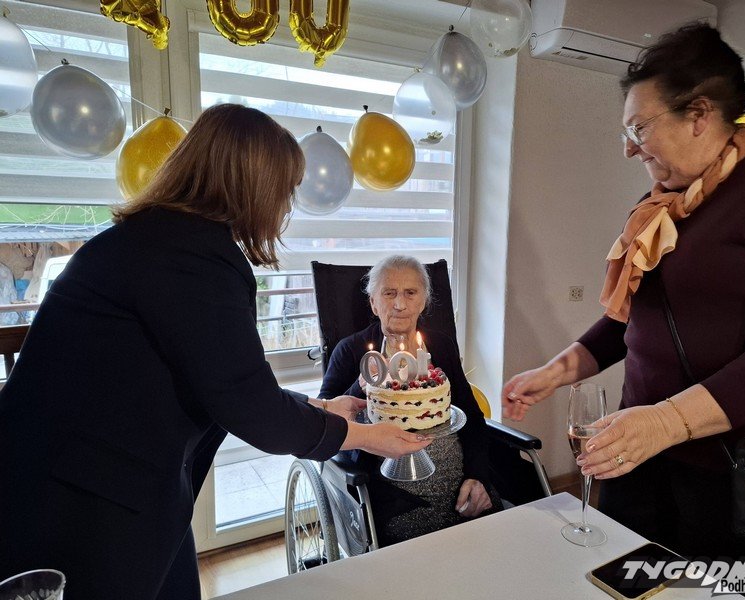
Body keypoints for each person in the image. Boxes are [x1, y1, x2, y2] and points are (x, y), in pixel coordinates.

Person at [0, 104, 430, 600]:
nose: (286, 205)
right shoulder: (190, 257)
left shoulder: (158, 239)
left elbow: (227, 381)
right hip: (82, 495)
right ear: (254, 185)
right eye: (284, 189)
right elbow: (250, 406)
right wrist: (367, 437)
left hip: (121, 478)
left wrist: (322, 407)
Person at [503, 23, 745, 563]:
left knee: (710, 590)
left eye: (638, 127)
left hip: (730, 468)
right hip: (636, 449)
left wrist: (665, 422)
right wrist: (555, 371)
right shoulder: (659, 205)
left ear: (699, 115)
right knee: (624, 577)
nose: (627, 148)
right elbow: (632, 318)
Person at [319, 255, 500, 546]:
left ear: (424, 301)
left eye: (410, 293)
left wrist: (477, 476)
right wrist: (360, 385)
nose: (400, 304)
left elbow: (472, 416)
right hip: (395, 497)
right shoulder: (350, 351)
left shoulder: (441, 346)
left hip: (463, 484)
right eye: (389, 293)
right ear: (373, 303)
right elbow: (324, 421)